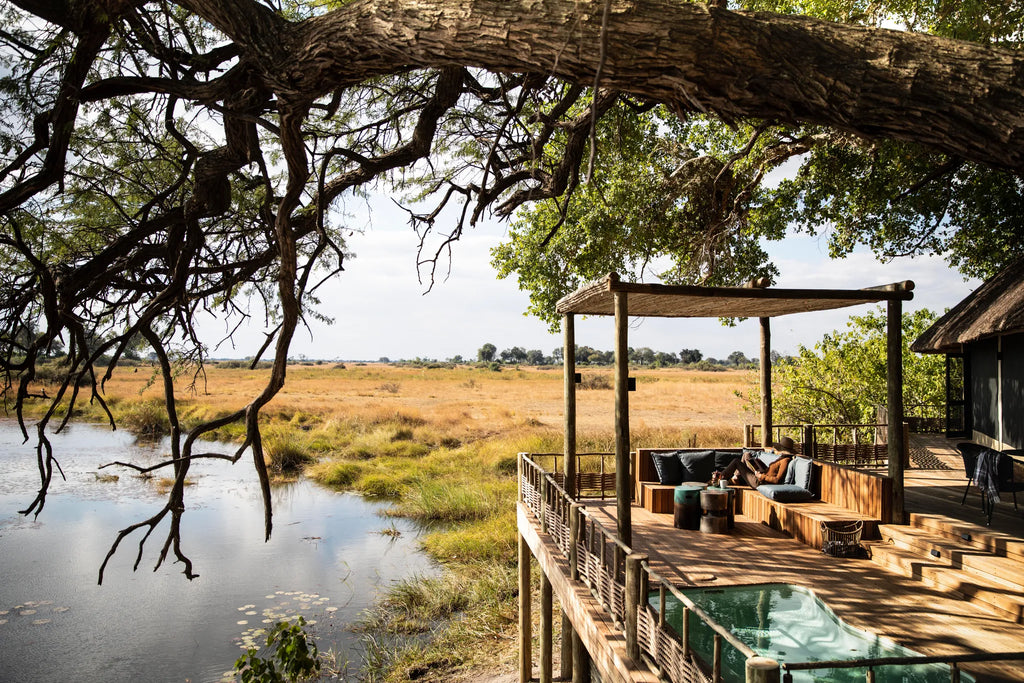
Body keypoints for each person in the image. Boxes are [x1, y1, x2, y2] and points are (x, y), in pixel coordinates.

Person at [718, 437, 796, 488]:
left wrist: (761, 476)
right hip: (760, 476)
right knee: (746, 454)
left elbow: (777, 480)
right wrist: (759, 465)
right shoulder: (780, 458)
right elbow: (770, 471)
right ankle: (736, 478)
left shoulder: (785, 461)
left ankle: (720, 478)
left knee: (736, 462)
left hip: (760, 482)